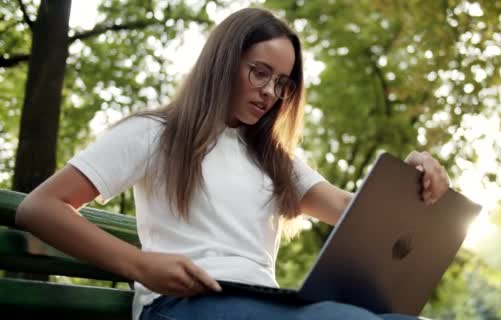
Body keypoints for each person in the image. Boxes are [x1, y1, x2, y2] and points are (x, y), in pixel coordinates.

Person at [15, 7, 449, 320]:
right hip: (182, 306)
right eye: (259, 72)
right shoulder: (153, 133)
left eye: (282, 84)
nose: (269, 92)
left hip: (265, 304)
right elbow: (40, 207)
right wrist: (140, 265)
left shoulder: (275, 160)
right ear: (223, 62)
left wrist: (410, 182)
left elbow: (354, 211)